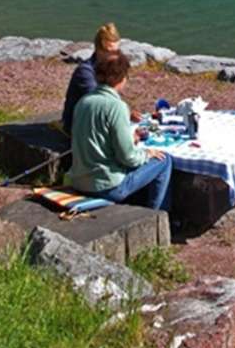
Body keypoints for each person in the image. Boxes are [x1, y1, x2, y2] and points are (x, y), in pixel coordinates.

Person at [66, 51, 171, 210]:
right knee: (164, 160)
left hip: (79, 181)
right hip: (107, 187)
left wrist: (130, 138)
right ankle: (157, 213)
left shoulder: (83, 102)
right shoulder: (117, 107)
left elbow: (98, 139)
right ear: (122, 78)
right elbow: (128, 158)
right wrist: (147, 154)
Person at [59, 21, 120, 136]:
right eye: (110, 52)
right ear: (99, 50)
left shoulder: (109, 68)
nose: (115, 57)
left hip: (95, 121)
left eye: (117, 52)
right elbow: (100, 104)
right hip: (79, 127)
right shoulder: (85, 72)